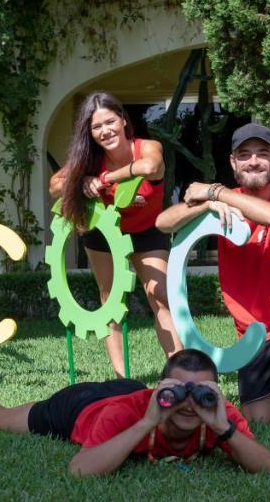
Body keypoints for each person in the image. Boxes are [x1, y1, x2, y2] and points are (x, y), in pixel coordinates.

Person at [156, 123, 270, 427]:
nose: (254, 161)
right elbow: (163, 222)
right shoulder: (222, 201)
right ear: (233, 163)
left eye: (263, 154)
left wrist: (216, 192)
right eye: (244, 155)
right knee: (261, 419)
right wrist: (210, 203)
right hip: (253, 328)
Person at [0, 349, 270, 476]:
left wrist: (225, 431)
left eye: (199, 394)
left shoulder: (219, 414)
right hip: (82, 406)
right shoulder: (124, 415)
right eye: (175, 392)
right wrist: (148, 421)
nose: (187, 403)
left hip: (132, 396)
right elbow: (79, 470)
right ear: (161, 390)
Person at [49, 92, 181, 376]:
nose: (104, 131)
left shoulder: (147, 147)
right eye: (96, 127)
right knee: (110, 299)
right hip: (104, 235)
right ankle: (122, 378)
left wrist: (104, 179)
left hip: (146, 231)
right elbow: (54, 185)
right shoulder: (90, 159)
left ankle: (181, 372)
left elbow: (151, 167)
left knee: (159, 296)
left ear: (123, 120)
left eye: (110, 122)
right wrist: (81, 179)